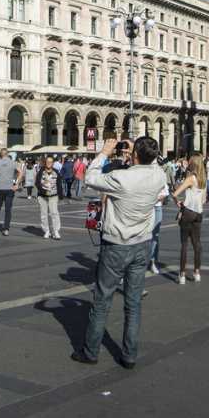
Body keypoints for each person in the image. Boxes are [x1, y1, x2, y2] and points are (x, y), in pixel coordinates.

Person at [72, 139, 167, 368]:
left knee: (102, 299)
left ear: (134, 154)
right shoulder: (159, 176)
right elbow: (155, 163)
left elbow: (91, 176)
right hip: (142, 244)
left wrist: (104, 152)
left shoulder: (121, 178)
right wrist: (140, 150)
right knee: (133, 303)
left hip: (116, 244)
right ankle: (129, 355)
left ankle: (91, 352)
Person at [175, 159, 206, 283]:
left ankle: (182, 275)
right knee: (197, 244)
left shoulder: (191, 178)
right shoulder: (203, 179)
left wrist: (178, 202)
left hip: (188, 212)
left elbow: (175, 193)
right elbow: (204, 199)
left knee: (184, 244)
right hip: (199, 213)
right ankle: (197, 272)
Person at [0, 154, 21, 235]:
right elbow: (20, 172)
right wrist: (16, 183)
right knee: (8, 210)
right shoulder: (13, 164)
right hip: (9, 189)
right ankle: (6, 229)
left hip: (0, 188)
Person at [34, 157, 62, 240]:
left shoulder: (56, 172)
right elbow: (37, 183)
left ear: (53, 163)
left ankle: (55, 231)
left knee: (54, 213)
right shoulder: (41, 172)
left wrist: (60, 195)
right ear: (45, 162)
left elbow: (59, 184)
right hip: (42, 196)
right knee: (44, 214)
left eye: (51, 162)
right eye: (47, 162)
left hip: (53, 196)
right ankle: (46, 231)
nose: (49, 163)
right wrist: (43, 191)